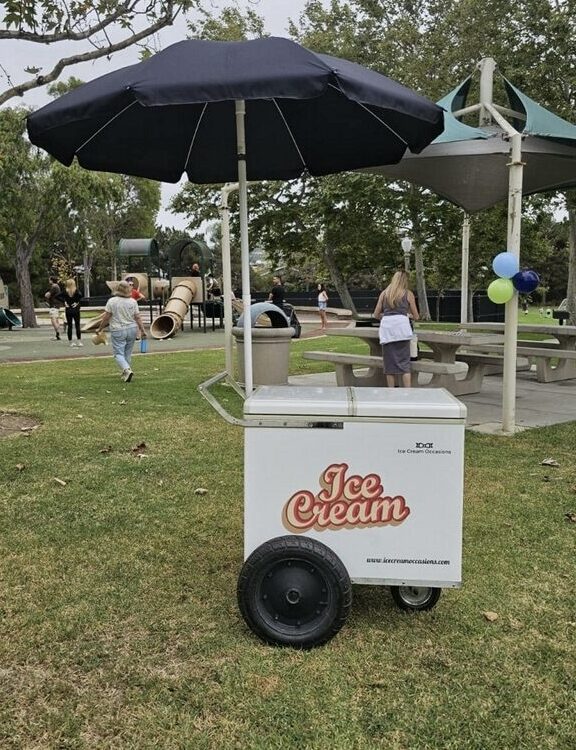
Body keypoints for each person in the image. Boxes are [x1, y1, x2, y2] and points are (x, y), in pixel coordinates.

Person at [373, 270, 419, 388]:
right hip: (402, 329)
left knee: (389, 364)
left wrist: (386, 316)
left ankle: (391, 391)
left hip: (387, 330)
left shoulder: (384, 293)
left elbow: (376, 314)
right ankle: (407, 391)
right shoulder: (408, 294)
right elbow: (416, 316)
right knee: (404, 363)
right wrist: (407, 315)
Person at [96, 280, 147, 382]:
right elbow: (137, 317)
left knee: (118, 353)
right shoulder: (133, 301)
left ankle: (126, 369)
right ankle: (126, 371)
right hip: (132, 328)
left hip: (117, 329)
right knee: (127, 352)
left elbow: (106, 317)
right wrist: (142, 330)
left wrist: (100, 328)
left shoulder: (112, 301)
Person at [57, 278, 83, 347]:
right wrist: (77, 302)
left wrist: (64, 302)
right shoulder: (76, 291)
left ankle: (70, 342)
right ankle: (79, 341)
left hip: (68, 310)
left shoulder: (65, 291)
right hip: (76, 309)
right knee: (77, 325)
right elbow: (81, 296)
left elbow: (57, 296)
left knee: (70, 326)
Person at [44, 276, 62, 341]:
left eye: (49, 280)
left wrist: (47, 294)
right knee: (56, 319)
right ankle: (57, 334)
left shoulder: (54, 287)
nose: (49, 281)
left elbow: (47, 295)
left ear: (52, 280)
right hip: (57, 305)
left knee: (53, 319)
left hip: (54, 305)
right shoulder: (57, 287)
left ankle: (58, 332)